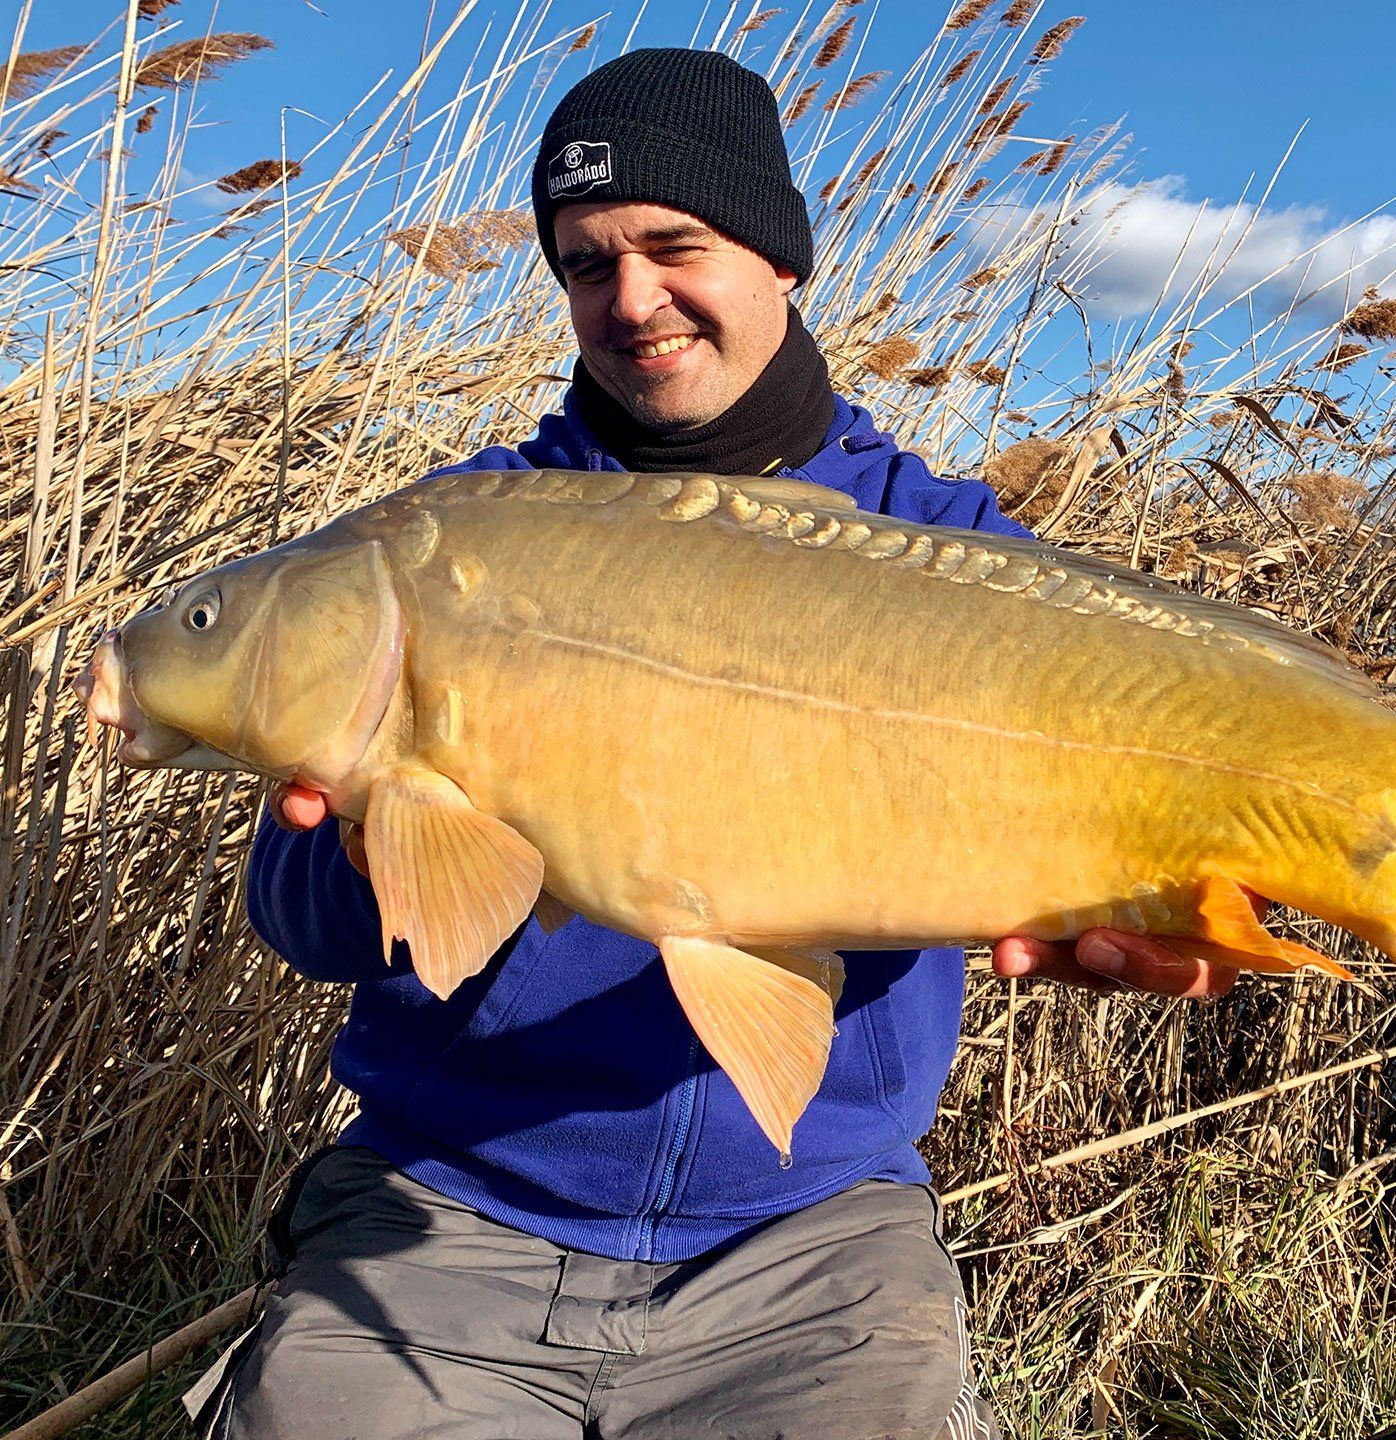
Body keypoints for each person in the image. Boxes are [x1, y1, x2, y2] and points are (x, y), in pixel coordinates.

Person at [193, 48, 1237, 1440]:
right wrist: (372, 836)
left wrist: (1172, 911)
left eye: (675, 245)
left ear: (780, 256)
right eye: (584, 263)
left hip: (809, 1238)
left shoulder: (958, 558)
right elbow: (299, 913)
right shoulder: (448, 541)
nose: (631, 301)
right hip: (451, 1209)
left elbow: (1152, 845)